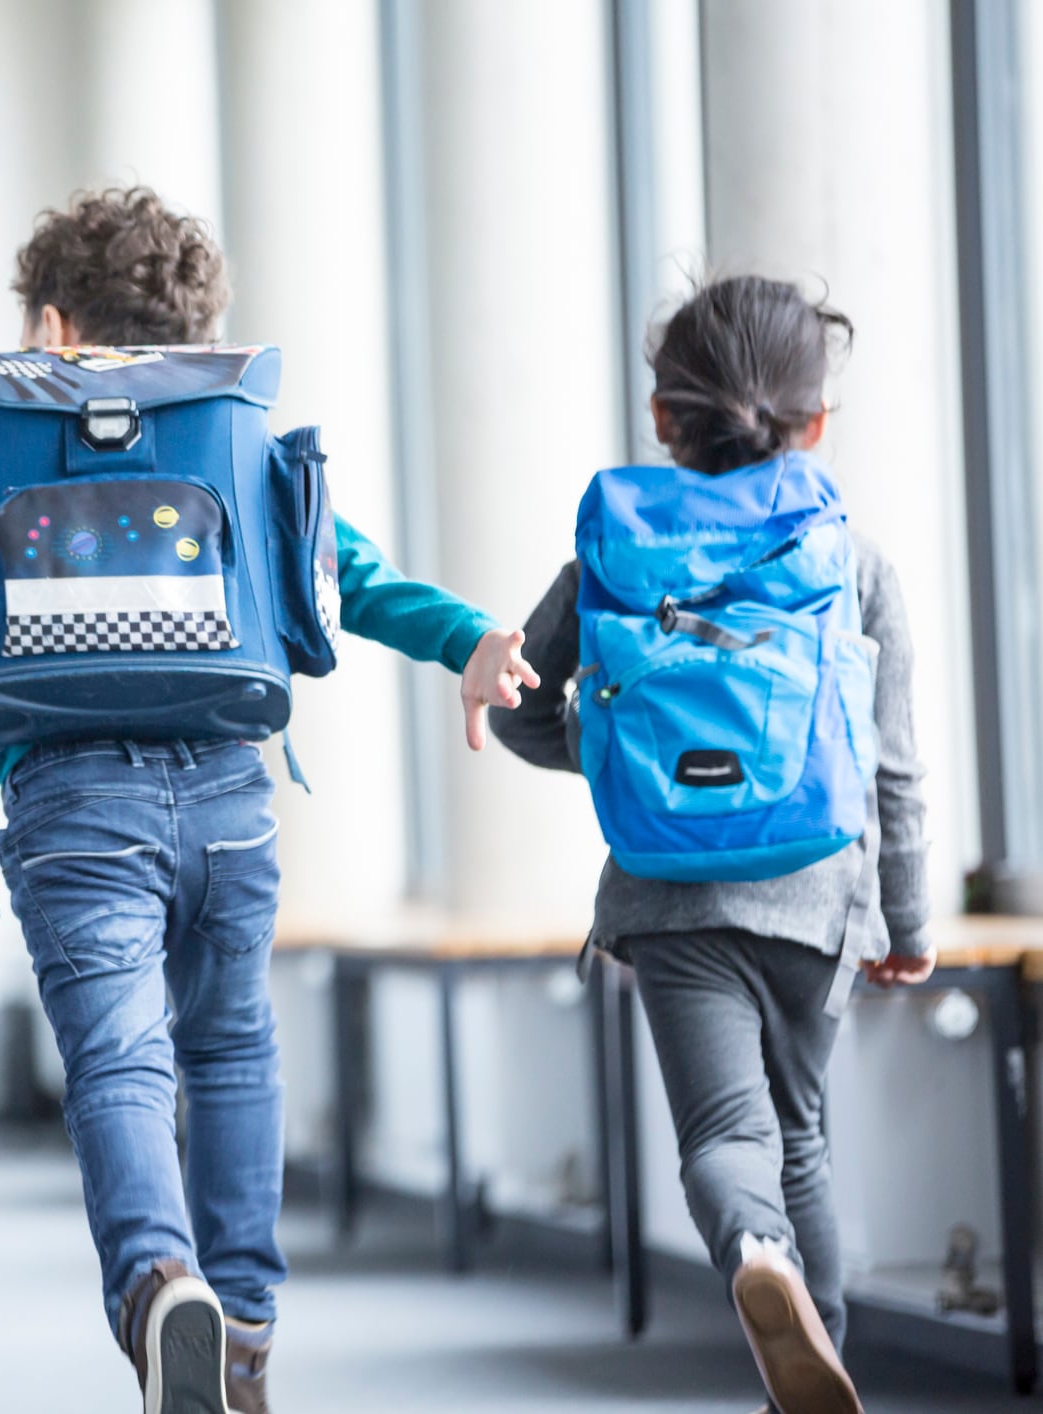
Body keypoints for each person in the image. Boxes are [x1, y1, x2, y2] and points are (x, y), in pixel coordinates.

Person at [0, 186, 539, 1414]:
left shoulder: (0, 445)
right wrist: (468, 636)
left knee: (118, 1062)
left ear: (50, 327)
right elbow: (347, 574)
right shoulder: (233, 437)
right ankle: (249, 1320)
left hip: (66, 805)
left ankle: (161, 1286)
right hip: (228, 795)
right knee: (232, 1048)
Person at [491, 275, 933, 1414]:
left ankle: (751, 1254)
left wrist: (620, 761)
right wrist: (910, 922)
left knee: (726, 1135)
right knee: (803, 1134)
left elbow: (521, 707)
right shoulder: (852, 560)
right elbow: (891, 767)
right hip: (813, 891)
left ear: (662, 418)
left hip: (668, 894)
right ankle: (822, 1346)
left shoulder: (615, 548)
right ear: (816, 421)